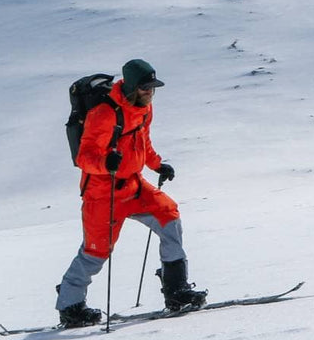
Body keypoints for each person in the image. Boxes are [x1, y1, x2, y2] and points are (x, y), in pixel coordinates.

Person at [55, 58, 206, 326]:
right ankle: (70, 305)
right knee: (95, 253)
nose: (150, 93)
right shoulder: (104, 114)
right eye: (145, 88)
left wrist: (158, 165)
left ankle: (176, 290)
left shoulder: (145, 110)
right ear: (132, 87)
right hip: (103, 193)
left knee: (169, 215)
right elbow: (84, 157)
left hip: (134, 186)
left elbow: (143, 142)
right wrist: (105, 163)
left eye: (153, 88)